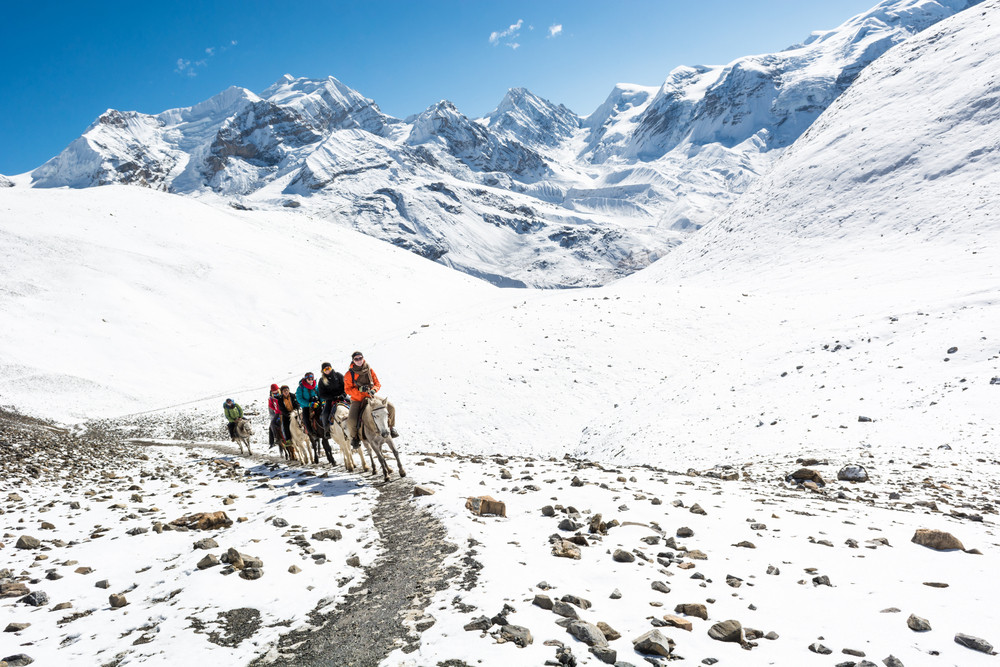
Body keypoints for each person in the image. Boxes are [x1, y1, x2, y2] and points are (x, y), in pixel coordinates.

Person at [344, 350, 398, 449]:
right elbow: (347, 390)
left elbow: (377, 383)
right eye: (356, 359)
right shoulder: (349, 374)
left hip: (371, 397)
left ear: (363, 358)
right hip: (357, 399)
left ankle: (391, 428)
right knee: (351, 420)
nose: (359, 360)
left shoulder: (369, 370)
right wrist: (359, 390)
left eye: (360, 358)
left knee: (391, 407)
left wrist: (373, 390)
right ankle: (355, 438)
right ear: (353, 361)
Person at [316, 362, 346, 438]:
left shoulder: (338, 375)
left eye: (328, 368)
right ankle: (327, 430)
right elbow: (322, 394)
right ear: (322, 371)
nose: (327, 370)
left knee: (354, 405)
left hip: (342, 397)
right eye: (325, 369)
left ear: (331, 368)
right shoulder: (322, 380)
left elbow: (345, 386)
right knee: (325, 414)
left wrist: (343, 395)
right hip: (330, 399)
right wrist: (331, 398)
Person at [295, 372, 319, 438]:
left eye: (312, 379)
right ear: (306, 379)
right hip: (306, 405)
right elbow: (299, 399)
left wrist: (322, 401)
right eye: (309, 379)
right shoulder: (300, 388)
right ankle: (311, 432)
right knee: (306, 418)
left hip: (316, 403)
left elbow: (319, 394)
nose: (311, 380)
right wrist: (309, 404)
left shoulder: (315, 385)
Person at [267, 384, 285, 448]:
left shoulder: (283, 395)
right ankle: (275, 439)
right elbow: (271, 406)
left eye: (276, 391)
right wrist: (276, 410)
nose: (275, 393)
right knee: (272, 424)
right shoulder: (271, 398)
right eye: (274, 392)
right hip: (277, 413)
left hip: (284, 412)